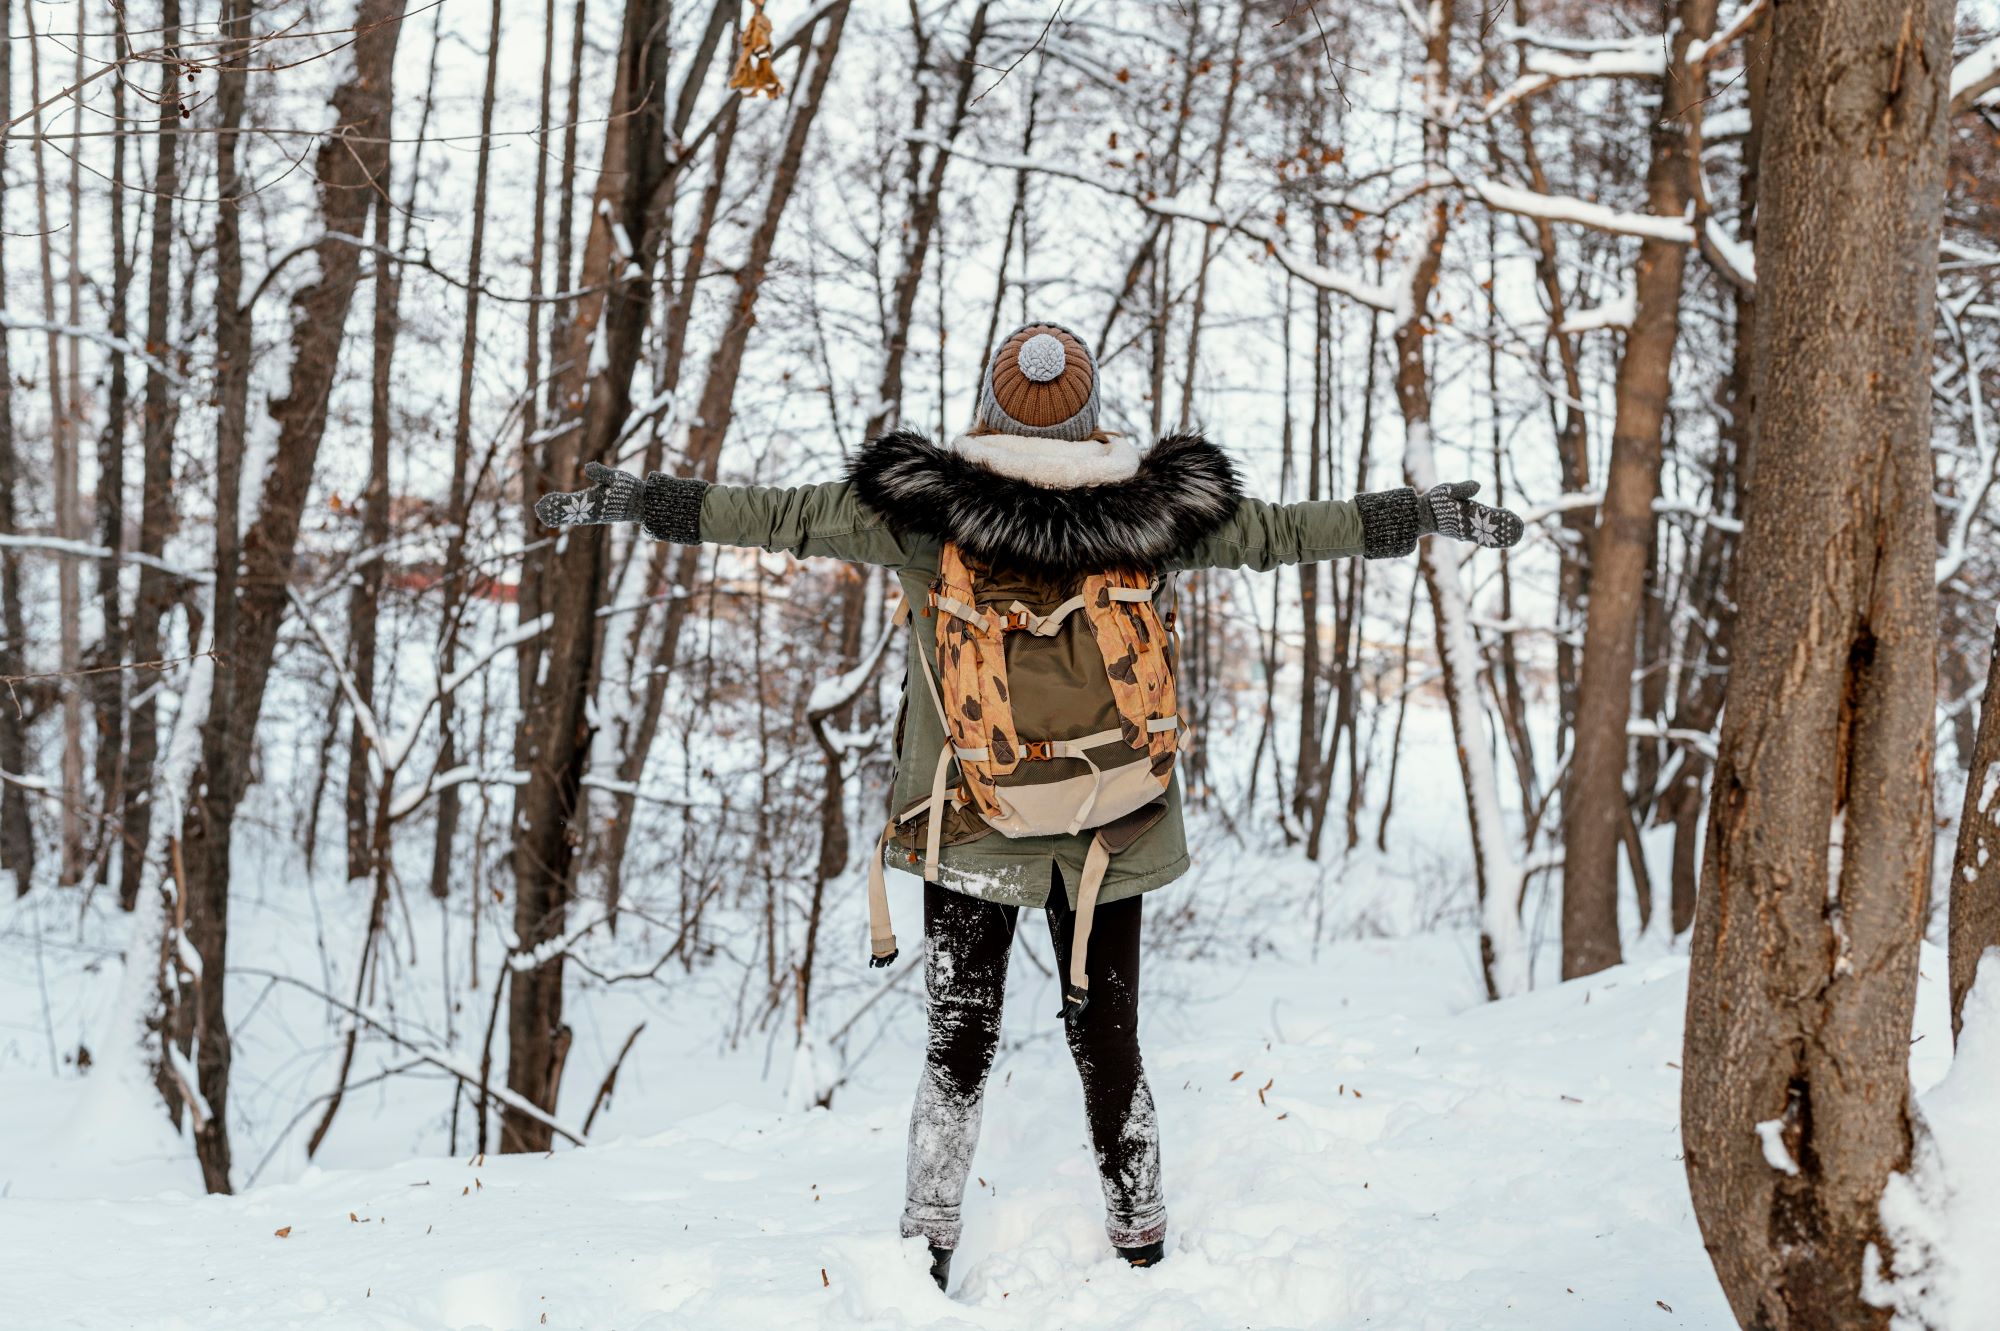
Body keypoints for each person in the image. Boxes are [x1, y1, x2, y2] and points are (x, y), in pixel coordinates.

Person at [535, 321, 1524, 1291]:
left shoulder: (921, 515)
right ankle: (1139, 1233)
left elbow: (772, 516)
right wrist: (1416, 512)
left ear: (986, 408)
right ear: (1090, 416)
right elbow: (1284, 535)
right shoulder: (1158, 514)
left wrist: (640, 501)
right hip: (1113, 818)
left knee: (957, 1033)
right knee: (1108, 1034)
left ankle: (925, 1240)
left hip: (968, 817)